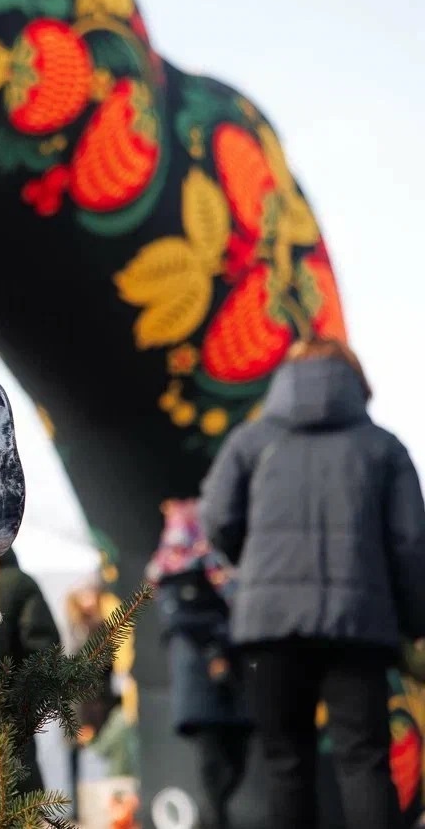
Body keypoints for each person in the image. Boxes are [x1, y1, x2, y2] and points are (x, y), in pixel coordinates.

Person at [200, 336, 425, 828]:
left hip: (269, 626)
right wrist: (413, 620)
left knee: (286, 763)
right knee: (364, 761)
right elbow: (411, 544)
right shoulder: (384, 448)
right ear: (356, 381)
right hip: (360, 625)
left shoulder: (250, 441)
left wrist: (254, 566)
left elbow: (216, 518)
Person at [146, 498, 249, 829]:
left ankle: (217, 818)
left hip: (233, 679)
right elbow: (181, 622)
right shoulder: (170, 574)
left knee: (236, 760)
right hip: (201, 680)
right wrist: (216, 643)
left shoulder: (221, 571)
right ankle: (216, 822)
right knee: (214, 763)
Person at [0, 547, 60, 792]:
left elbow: (43, 657)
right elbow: (46, 656)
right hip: (7, 732)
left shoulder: (14, 585)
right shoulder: (18, 584)